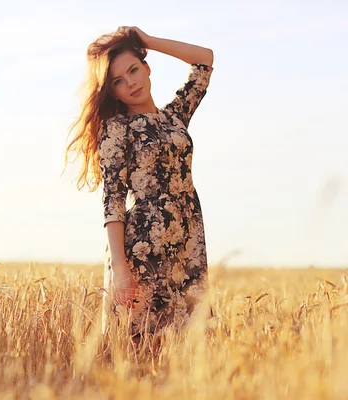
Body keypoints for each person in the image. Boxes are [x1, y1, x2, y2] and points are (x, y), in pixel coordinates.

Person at [63, 26, 214, 342]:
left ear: (147, 68)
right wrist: (120, 267)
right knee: (139, 344)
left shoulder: (175, 118)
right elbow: (113, 200)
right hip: (144, 249)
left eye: (133, 70)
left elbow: (204, 61)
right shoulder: (117, 130)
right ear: (112, 91)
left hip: (189, 245)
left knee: (191, 346)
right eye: (118, 80)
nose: (130, 82)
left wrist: (146, 41)